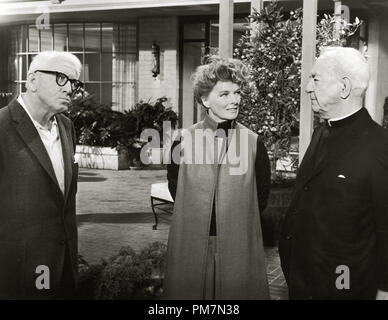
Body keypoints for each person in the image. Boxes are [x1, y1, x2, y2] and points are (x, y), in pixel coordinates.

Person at [279, 47, 388, 300]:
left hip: (345, 285)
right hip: (304, 280)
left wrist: (384, 290)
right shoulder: (321, 131)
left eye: (315, 79)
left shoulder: (380, 147)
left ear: (344, 87)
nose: (307, 87)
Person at [163, 57, 271, 300]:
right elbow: (175, 188)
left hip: (238, 247)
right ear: (204, 99)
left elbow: (261, 195)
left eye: (237, 92)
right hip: (191, 244)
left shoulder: (253, 142)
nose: (234, 100)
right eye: (224, 94)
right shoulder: (183, 141)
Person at [0, 51, 82, 299]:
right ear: (32, 80)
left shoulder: (67, 126)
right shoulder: (2, 127)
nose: (69, 89)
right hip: (16, 276)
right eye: (60, 78)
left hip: (63, 270)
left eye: (74, 82)